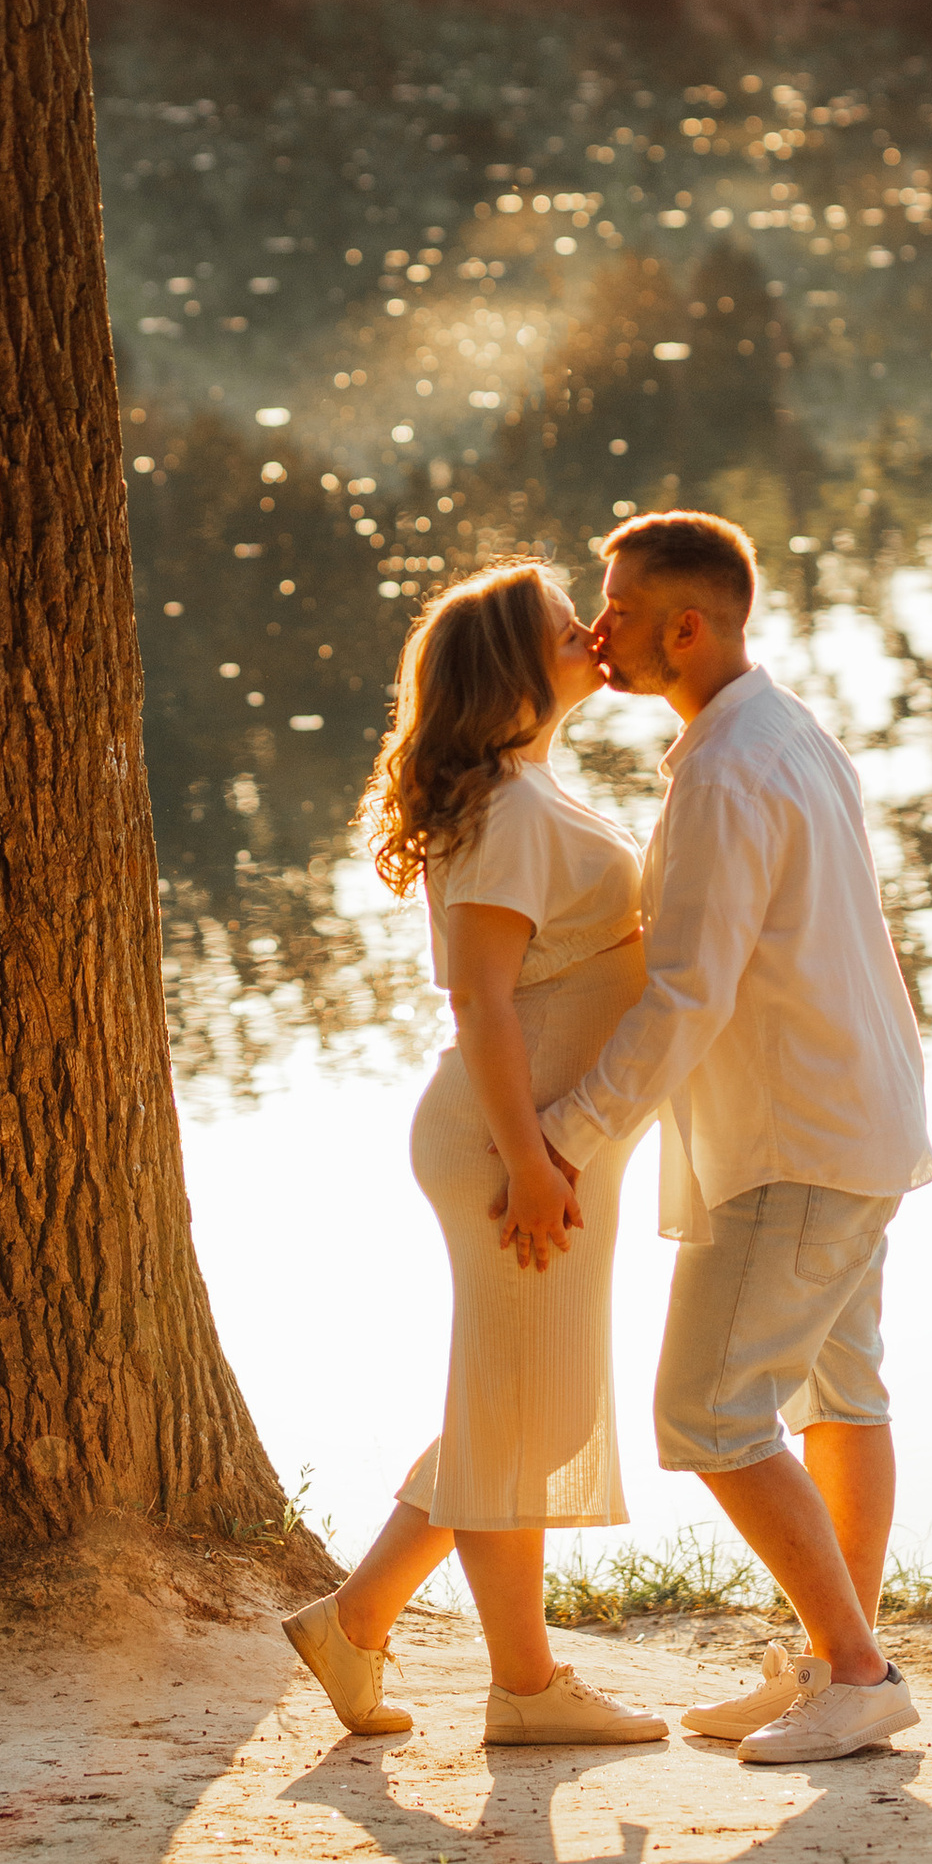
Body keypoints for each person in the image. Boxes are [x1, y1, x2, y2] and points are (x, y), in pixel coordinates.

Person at [526, 509, 932, 1766]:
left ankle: (856, 1673)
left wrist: (568, 1134)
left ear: (685, 628)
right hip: (857, 1114)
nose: (600, 632)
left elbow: (687, 993)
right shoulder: (781, 727)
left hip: (795, 1135)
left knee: (708, 1411)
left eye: (620, 611)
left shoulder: (722, 769)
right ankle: (832, 1660)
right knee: (840, 1392)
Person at [282, 559, 670, 1750]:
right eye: (569, 626)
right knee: (519, 1419)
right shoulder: (505, 812)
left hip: (548, 1139)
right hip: (516, 1146)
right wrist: (535, 1162)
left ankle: (364, 1625)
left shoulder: (529, 787)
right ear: (514, 664)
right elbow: (482, 1007)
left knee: (513, 1413)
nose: (594, 634)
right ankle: (519, 1685)